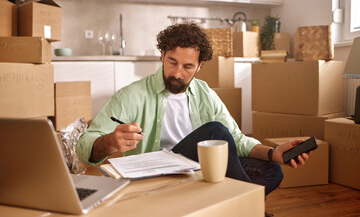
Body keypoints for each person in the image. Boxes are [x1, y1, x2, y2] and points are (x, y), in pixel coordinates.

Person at [76, 22, 310, 196]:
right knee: (214, 133)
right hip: (157, 173)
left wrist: (273, 152)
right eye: (172, 62)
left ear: (200, 66)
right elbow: (84, 145)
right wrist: (109, 142)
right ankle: (240, 207)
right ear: (162, 57)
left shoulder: (204, 93)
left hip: (198, 170)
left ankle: (223, 205)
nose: (177, 73)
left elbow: (236, 139)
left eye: (188, 66)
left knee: (272, 171)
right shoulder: (132, 95)